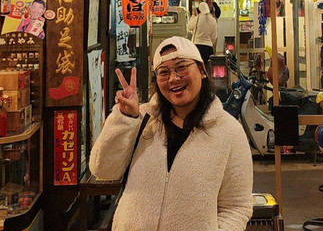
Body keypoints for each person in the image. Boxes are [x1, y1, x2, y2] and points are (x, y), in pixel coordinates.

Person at [89, 36, 252, 231]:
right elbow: (102, 170)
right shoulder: (142, 119)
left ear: (202, 70)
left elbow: (236, 207)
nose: (173, 78)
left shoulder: (229, 131)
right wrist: (125, 118)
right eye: (164, 72)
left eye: (181, 67)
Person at [187, 1, 219, 66]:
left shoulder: (197, 18)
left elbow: (189, 27)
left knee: (198, 67)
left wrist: (193, 15)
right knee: (208, 67)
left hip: (197, 46)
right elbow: (214, 36)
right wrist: (209, 42)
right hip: (208, 48)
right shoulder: (213, 20)